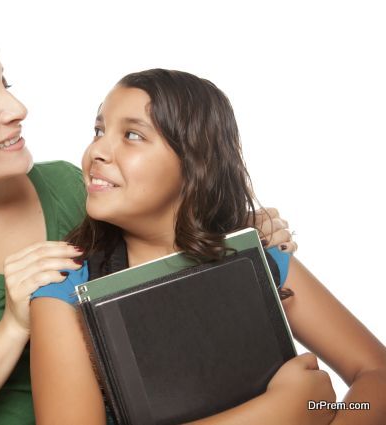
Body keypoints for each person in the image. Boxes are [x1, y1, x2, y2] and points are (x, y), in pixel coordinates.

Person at [0, 11, 294, 425]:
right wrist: (12, 328)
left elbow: (167, 269)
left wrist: (234, 229)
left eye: (6, 85)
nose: (17, 109)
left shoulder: (70, 189)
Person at [29, 69, 386, 425]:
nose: (97, 151)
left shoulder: (259, 256)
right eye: (99, 130)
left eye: (132, 135)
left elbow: (376, 372)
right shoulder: (64, 290)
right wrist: (279, 412)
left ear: (194, 162)